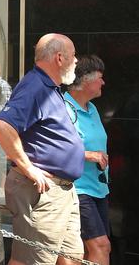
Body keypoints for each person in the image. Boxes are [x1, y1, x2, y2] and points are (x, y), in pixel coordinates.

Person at [0, 33, 84, 264]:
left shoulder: (50, 87)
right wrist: (29, 168)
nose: (77, 61)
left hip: (62, 191)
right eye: (74, 55)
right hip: (44, 191)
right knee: (34, 261)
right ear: (60, 58)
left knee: (71, 258)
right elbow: (2, 126)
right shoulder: (35, 85)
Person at [65, 55, 111, 265]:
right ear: (85, 80)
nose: (103, 82)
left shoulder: (92, 109)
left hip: (98, 188)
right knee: (101, 246)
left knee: (85, 250)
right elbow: (52, 149)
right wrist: (88, 155)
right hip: (77, 189)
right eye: (100, 78)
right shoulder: (63, 108)